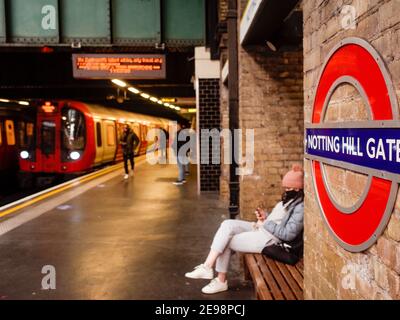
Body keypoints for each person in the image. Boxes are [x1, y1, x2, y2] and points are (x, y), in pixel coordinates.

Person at [185, 164, 304, 294]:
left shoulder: (300, 208)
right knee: (227, 224)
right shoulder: (291, 199)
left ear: (298, 189)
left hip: (269, 239)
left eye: (289, 188)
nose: (286, 190)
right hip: (262, 229)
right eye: (285, 187)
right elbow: (277, 219)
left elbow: (287, 234)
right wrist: (265, 216)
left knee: (226, 241)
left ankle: (220, 280)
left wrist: (265, 223)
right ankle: (207, 266)